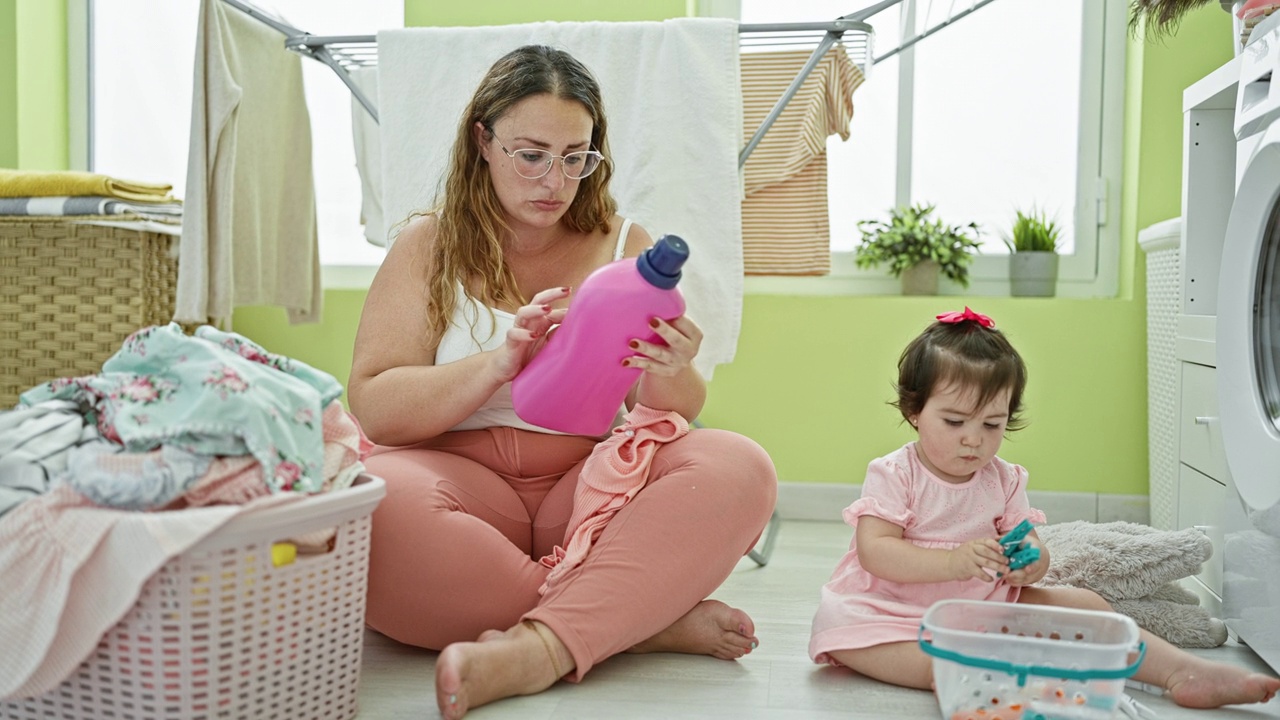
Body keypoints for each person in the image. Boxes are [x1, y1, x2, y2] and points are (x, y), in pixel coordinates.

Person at [347, 45, 777, 720]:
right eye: (532, 153)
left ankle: (539, 649)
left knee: (738, 465)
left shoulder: (624, 246)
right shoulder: (427, 246)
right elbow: (375, 406)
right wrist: (495, 365)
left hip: (584, 491)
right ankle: (634, 623)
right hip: (451, 485)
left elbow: (677, 412)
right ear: (482, 141)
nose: (555, 179)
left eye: (577, 156)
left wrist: (670, 370)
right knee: (366, 503)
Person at [808, 307, 1280, 710]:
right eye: (954, 422)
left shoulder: (1003, 479)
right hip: (888, 612)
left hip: (980, 604)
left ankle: (1185, 672)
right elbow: (876, 551)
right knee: (937, 658)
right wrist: (950, 561)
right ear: (914, 411)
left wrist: (1032, 563)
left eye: (993, 424)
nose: (974, 439)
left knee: (1093, 607)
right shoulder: (896, 473)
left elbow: (1030, 542)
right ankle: (1017, 677)